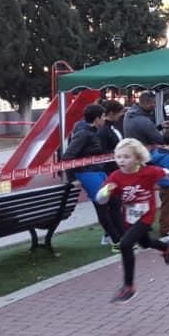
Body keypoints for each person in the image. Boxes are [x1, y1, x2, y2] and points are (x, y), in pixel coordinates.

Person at [95, 138, 169, 303]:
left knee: (125, 244)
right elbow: (100, 200)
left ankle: (128, 287)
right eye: (118, 157)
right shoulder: (115, 176)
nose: (121, 161)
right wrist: (105, 192)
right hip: (130, 217)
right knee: (145, 243)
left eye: (126, 157)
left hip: (146, 215)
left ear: (137, 158)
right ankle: (166, 246)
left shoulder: (148, 172)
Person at [62, 103, 124, 250]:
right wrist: (72, 178)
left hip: (98, 170)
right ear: (97, 119)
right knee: (102, 205)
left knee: (115, 201)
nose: (105, 120)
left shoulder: (92, 130)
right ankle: (115, 240)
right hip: (87, 173)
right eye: (103, 117)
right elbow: (67, 156)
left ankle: (123, 235)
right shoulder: (83, 133)